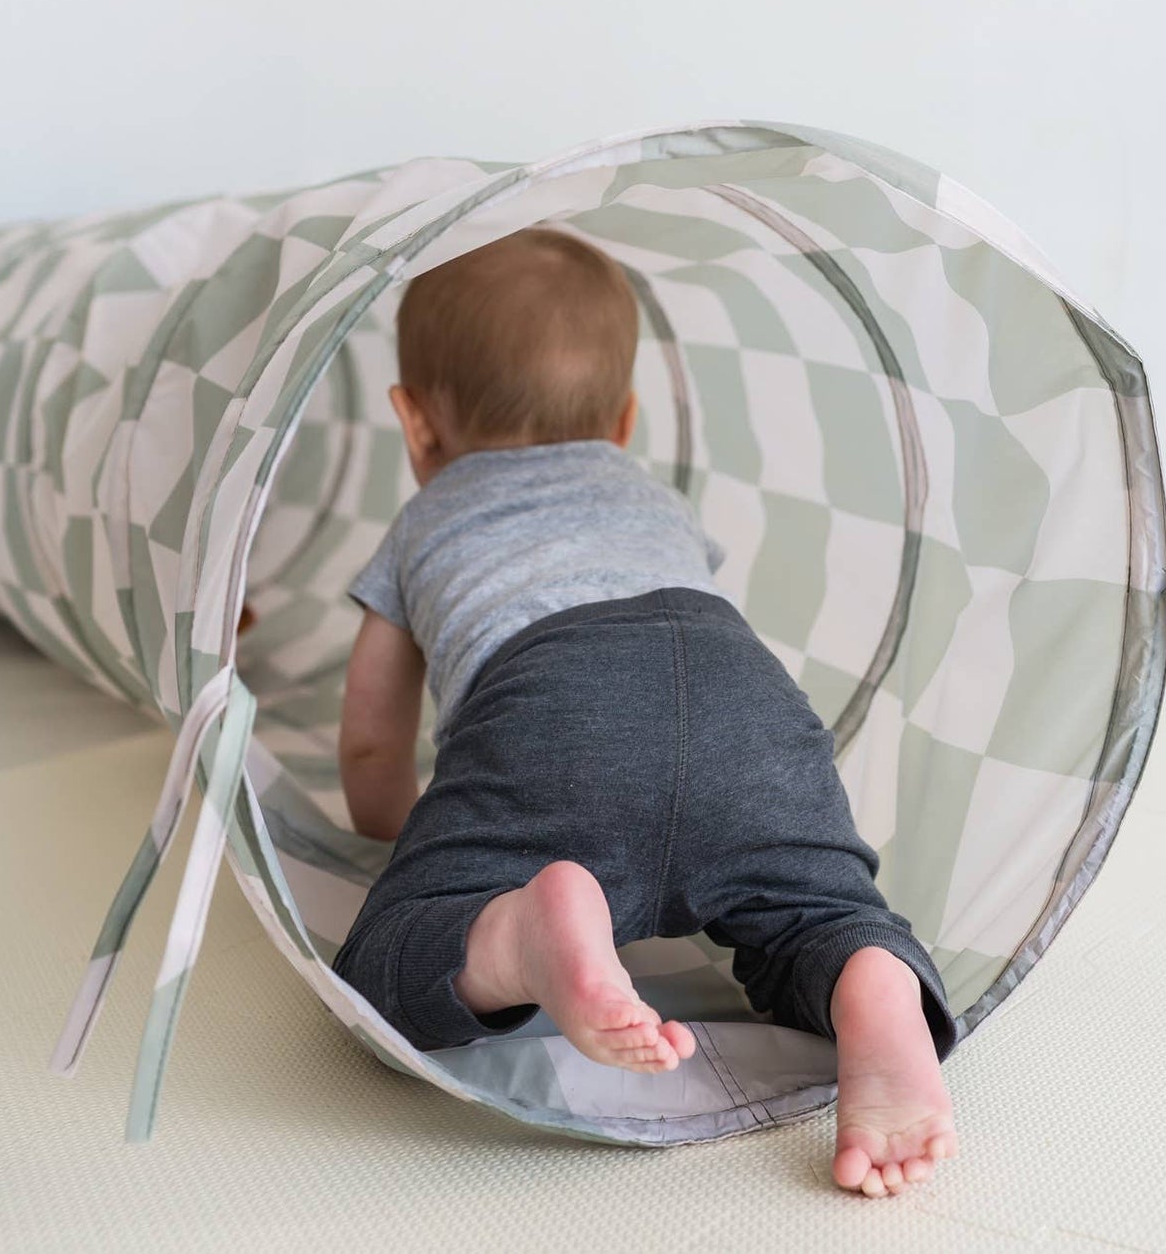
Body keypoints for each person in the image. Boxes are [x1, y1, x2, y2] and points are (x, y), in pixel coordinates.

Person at [330, 225, 959, 1198]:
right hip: (740, 695)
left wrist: (405, 838)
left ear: (414, 423)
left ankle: (516, 932)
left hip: (551, 712)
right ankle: (863, 976)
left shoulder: (424, 519)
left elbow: (372, 732)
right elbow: (677, 629)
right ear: (622, 419)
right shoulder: (648, 492)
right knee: (806, 902)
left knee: (379, 963)